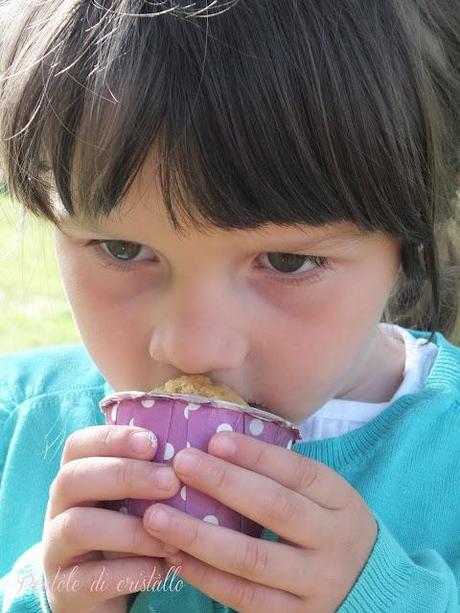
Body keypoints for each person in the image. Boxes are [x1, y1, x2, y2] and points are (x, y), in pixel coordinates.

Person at [0, 0, 459, 611]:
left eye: (287, 262)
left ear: (408, 242)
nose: (191, 347)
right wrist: (44, 597)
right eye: (121, 247)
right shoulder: (16, 421)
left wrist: (385, 598)